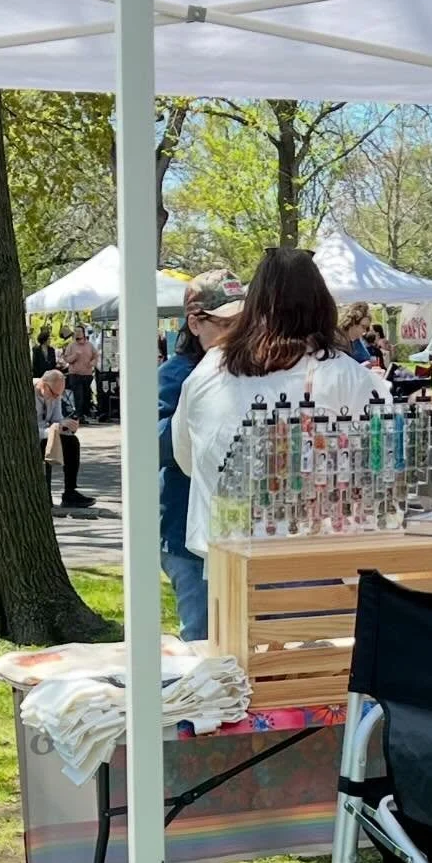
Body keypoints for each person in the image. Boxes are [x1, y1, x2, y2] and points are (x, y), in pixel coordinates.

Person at [173, 245, 387, 561]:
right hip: (314, 555)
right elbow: (378, 466)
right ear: (322, 305)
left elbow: (188, 459)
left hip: (226, 555)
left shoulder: (209, 367)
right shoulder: (346, 375)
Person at [159, 269, 244, 641]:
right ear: (195, 323)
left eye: (242, 321)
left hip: (237, 533)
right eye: (225, 322)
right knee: (202, 638)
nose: (236, 332)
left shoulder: (245, 371)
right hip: (186, 533)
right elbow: (157, 445)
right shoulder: (174, 376)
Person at [35, 367, 93, 508]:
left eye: (59, 395)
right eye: (54, 394)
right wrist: (55, 429)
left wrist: (66, 426)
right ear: (43, 384)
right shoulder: (31, 393)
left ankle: (70, 492)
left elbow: (56, 419)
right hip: (36, 437)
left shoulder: (55, 395)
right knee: (45, 447)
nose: (56, 398)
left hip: (47, 433)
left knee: (72, 442)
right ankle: (45, 495)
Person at [61, 324, 98, 420]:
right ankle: (79, 416)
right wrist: (75, 356)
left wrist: (92, 363)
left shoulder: (89, 345)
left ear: (83, 333)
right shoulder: (71, 345)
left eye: (79, 331)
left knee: (86, 396)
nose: (77, 333)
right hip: (75, 375)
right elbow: (66, 359)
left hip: (87, 375)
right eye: (75, 331)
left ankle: (84, 414)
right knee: (79, 396)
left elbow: (96, 356)